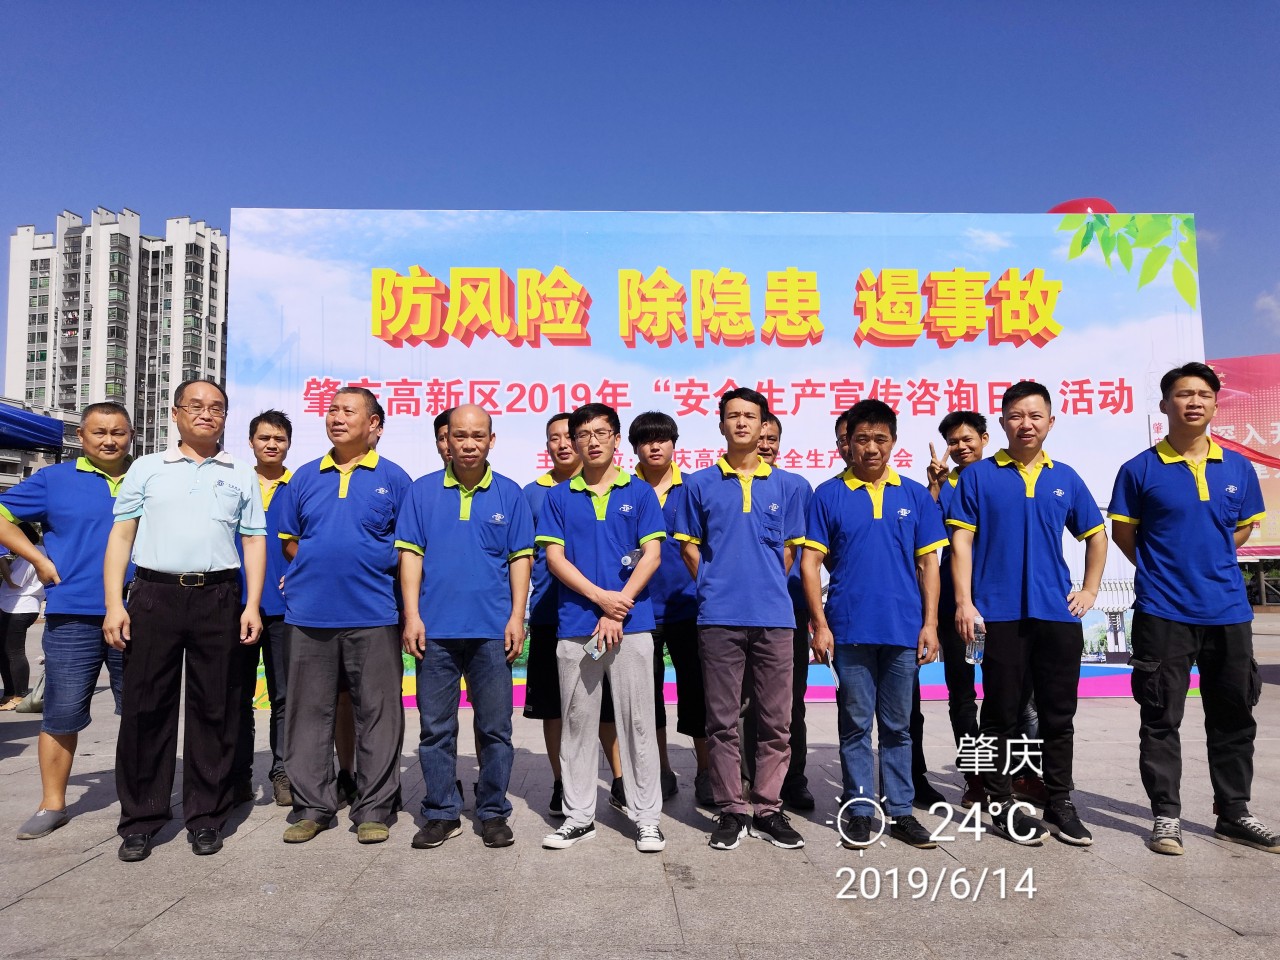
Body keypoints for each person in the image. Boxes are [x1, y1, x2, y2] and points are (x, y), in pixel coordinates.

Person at [1108, 362, 1279, 855]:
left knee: (1234, 715)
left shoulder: (1237, 468)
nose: (1194, 402)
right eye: (1184, 394)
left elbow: (1241, 528)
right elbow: (1124, 533)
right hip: (1163, 611)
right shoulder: (1139, 469)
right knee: (1161, 716)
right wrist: (1165, 568)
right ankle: (1166, 816)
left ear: (1215, 404)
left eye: (1203, 394)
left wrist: (1209, 559)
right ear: (1165, 405)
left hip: (1228, 611)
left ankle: (1234, 812)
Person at [104, 380, 266, 861]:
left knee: (215, 708)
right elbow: (121, 537)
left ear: (225, 418)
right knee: (145, 707)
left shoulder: (240, 473)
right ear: (175, 414)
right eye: (195, 406)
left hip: (219, 596)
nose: (205, 414)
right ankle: (141, 818)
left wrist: (251, 605)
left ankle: (207, 816)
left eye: (216, 408)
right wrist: (114, 603)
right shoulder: (147, 468)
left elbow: (253, 540)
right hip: (153, 595)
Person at [947, 381, 1107, 847]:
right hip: (998, 615)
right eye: (1016, 415)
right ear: (1002, 422)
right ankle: (999, 802)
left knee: (1058, 714)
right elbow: (961, 542)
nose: (1026, 424)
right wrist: (964, 602)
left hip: (1056, 616)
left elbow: (1096, 535)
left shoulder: (1066, 477)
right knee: (999, 714)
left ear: (1050, 422)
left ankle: (1060, 801)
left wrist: (1090, 590)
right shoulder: (978, 477)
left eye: (1036, 416)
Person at [804, 399, 948, 849]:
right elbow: (810, 564)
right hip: (849, 629)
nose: (870, 448)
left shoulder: (915, 495)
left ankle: (901, 812)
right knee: (854, 725)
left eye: (880, 439)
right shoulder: (828, 494)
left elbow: (929, 564)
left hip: (903, 630)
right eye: (862, 439)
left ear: (893, 442)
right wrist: (820, 624)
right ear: (848, 443)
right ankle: (860, 809)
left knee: (899, 726)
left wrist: (930, 624)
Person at [276, 387, 411, 845]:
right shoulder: (305, 476)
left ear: (374, 425)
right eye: (332, 409)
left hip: (373, 613)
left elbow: (408, 548)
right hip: (308, 615)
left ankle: (374, 808)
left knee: (378, 714)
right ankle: (312, 807)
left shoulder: (394, 479)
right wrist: (316, 569)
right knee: (308, 715)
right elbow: (289, 539)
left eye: (348, 411)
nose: (336, 417)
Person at [397, 404, 533, 849]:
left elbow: (520, 559)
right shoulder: (422, 492)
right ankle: (441, 812)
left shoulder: (510, 493)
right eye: (460, 436)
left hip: (491, 631)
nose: (469, 444)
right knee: (436, 729)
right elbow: (411, 555)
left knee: (495, 728)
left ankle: (493, 811)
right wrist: (412, 615)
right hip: (434, 631)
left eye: (478, 436)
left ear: (491, 440)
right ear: (446, 440)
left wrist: (516, 616)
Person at [676, 387, 806, 851]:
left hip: (775, 617)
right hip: (719, 617)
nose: (742, 423)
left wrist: (764, 583)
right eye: (733, 416)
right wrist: (714, 583)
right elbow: (689, 546)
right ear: (721, 424)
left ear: (763, 424)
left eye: (750, 416)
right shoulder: (699, 484)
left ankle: (768, 808)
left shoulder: (791, 486)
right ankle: (731, 808)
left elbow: (790, 550)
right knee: (722, 721)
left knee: (776, 721)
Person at [537, 403, 667, 853]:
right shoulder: (558, 496)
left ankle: (647, 818)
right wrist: (600, 600)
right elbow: (555, 559)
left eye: (601, 432)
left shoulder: (640, 493)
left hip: (632, 626)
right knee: (577, 723)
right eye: (583, 434)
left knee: (638, 723)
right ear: (573, 441)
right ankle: (578, 817)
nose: (592, 441)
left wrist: (616, 609)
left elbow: (652, 555)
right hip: (577, 627)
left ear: (615, 439)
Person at [0, 404, 132, 839]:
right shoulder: (53, 480)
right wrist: (37, 559)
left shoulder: (147, 477)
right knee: (61, 712)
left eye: (118, 432)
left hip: (138, 612)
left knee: (141, 712)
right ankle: (52, 803)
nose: (109, 440)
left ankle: (140, 798)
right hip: (72, 613)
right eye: (100, 432)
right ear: (81, 436)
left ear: (131, 435)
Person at [524, 413, 626, 817]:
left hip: (598, 617)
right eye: (555, 438)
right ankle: (561, 781)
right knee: (553, 706)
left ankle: (620, 780)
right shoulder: (534, 493)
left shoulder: (609, 489)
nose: (564, 443)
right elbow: (527, 557)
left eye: (571, 436)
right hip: (550, 614)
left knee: (605, 706)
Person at [630, 411, 712, 806]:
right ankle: (660, 770)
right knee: (647, 698)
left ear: (674, 443)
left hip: (690, 608)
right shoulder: (626, 489)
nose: (655, 446)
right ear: (634, 448)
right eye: (646, 440)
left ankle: (706, 770)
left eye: (662, 439)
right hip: (640, 610)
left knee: (698, 692)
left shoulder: (694, 487)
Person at [748, 412, 815, 811]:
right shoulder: (727, 485)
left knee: (790, 701)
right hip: (740, 611)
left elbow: (809, 551)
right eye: (761, 437)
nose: (765, 445)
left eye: (772, 438)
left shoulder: (797, 487)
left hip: (788, 609)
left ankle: (794, 779)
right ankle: (748, 778)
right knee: (744, 703)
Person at [924, 410, 990, 808]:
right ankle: (976, 778)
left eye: (967, 439)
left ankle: (1010, 773)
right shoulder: (944, 486)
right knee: (962, 696)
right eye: (953, 442)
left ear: (984, 439)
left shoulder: (1000, 479)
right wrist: (934, 487)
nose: (961, 446)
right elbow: (924, 537)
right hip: (955, 606)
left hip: (999, 604)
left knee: (1008, 695)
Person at [230, 410, 295, 807]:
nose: (272, 444)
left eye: (279, 439)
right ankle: (238, 775)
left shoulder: (300, 485)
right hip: (234, 606)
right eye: (264, 438)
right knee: (235, 695)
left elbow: (313, 539)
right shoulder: (234, 482)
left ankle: (282, 772)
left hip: (287, 610)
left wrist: (301, 572)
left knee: (285, 697)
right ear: (251, 441)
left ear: (289, 444)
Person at [0, 523, 44, 709]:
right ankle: (10, 693)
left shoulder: (31, 553)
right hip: (14, 606)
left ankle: (20, 695)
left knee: (14, 651)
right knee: (4, 651)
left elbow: (14, 582)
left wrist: (1, 560)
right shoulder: (34, 552)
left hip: (20, 608)